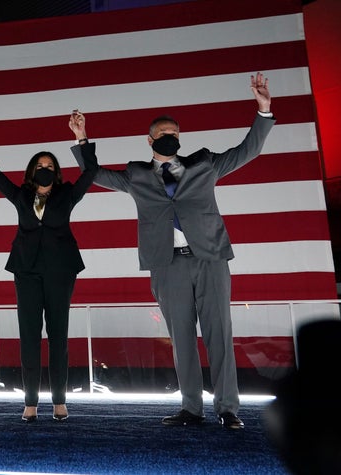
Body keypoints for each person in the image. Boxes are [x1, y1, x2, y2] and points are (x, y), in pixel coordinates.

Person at [70, 72, 274, 430]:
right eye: (164, 134)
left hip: (209, 258)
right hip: (168, 266)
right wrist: (82, 138)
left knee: (219, 334)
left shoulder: (203, 165)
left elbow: (249, 151)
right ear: (149, 140)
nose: (170, 138)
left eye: (175, 134)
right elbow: (94, 174)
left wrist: (263, 108)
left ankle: (228, 409)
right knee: (181, 338)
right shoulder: (136, 175)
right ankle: (192, 409)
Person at [0, 113, 99, 422]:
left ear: (56, 173)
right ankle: (30, 402)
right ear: (32, 172)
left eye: (50, 166)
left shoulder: (67, 194)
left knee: (58, 336)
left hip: (61, 272)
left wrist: (81, 136)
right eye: (40, 166)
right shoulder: (20, 196)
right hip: (27, 272)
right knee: (29, 336)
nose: (45, 170)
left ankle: (59, 400)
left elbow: (91, 171)